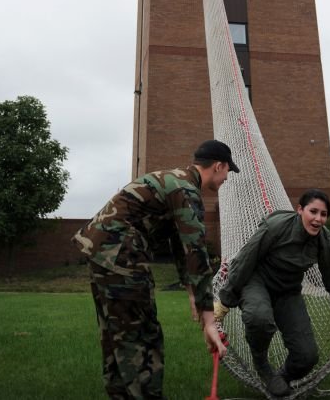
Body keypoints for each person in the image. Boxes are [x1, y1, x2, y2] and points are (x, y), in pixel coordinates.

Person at [73, 139, 238, 399]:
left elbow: (180, 244)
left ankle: (121, 394)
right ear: (218, 166)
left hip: (101, 251)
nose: (227, 177)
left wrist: (192, 293)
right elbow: (195, 251)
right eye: (228, 170)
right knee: (142, 334)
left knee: (118, 330)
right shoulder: (186, 190)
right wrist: (209, 319)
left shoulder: (175, 180)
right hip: (121, 253)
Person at [214, 189, 330, 396]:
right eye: (313, 211)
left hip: (287, 291)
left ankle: (281, 377)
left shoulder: (322, 238)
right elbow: (245, 260)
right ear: (300, 210)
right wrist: (225, 302)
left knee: (307, 356)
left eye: (323, 214)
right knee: (259, 318)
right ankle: (262, 364)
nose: (318, 219)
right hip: (256, 282)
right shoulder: (276, 227)